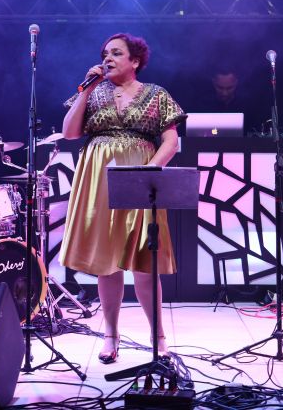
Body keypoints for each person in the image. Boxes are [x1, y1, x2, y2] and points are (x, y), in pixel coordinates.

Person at [59, 33, 185, 363]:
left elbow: (171, 141)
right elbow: (70, 132)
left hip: (140, 177)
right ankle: (111, 335)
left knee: (145, 261)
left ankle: (158, 336)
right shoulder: (94, 91)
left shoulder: (156, 94)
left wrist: (148, 173)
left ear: (135, 61)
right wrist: (85, 90)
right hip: (98, 177)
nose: (108, 58)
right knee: (106, 261)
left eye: (116, 53)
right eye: (105, 53)